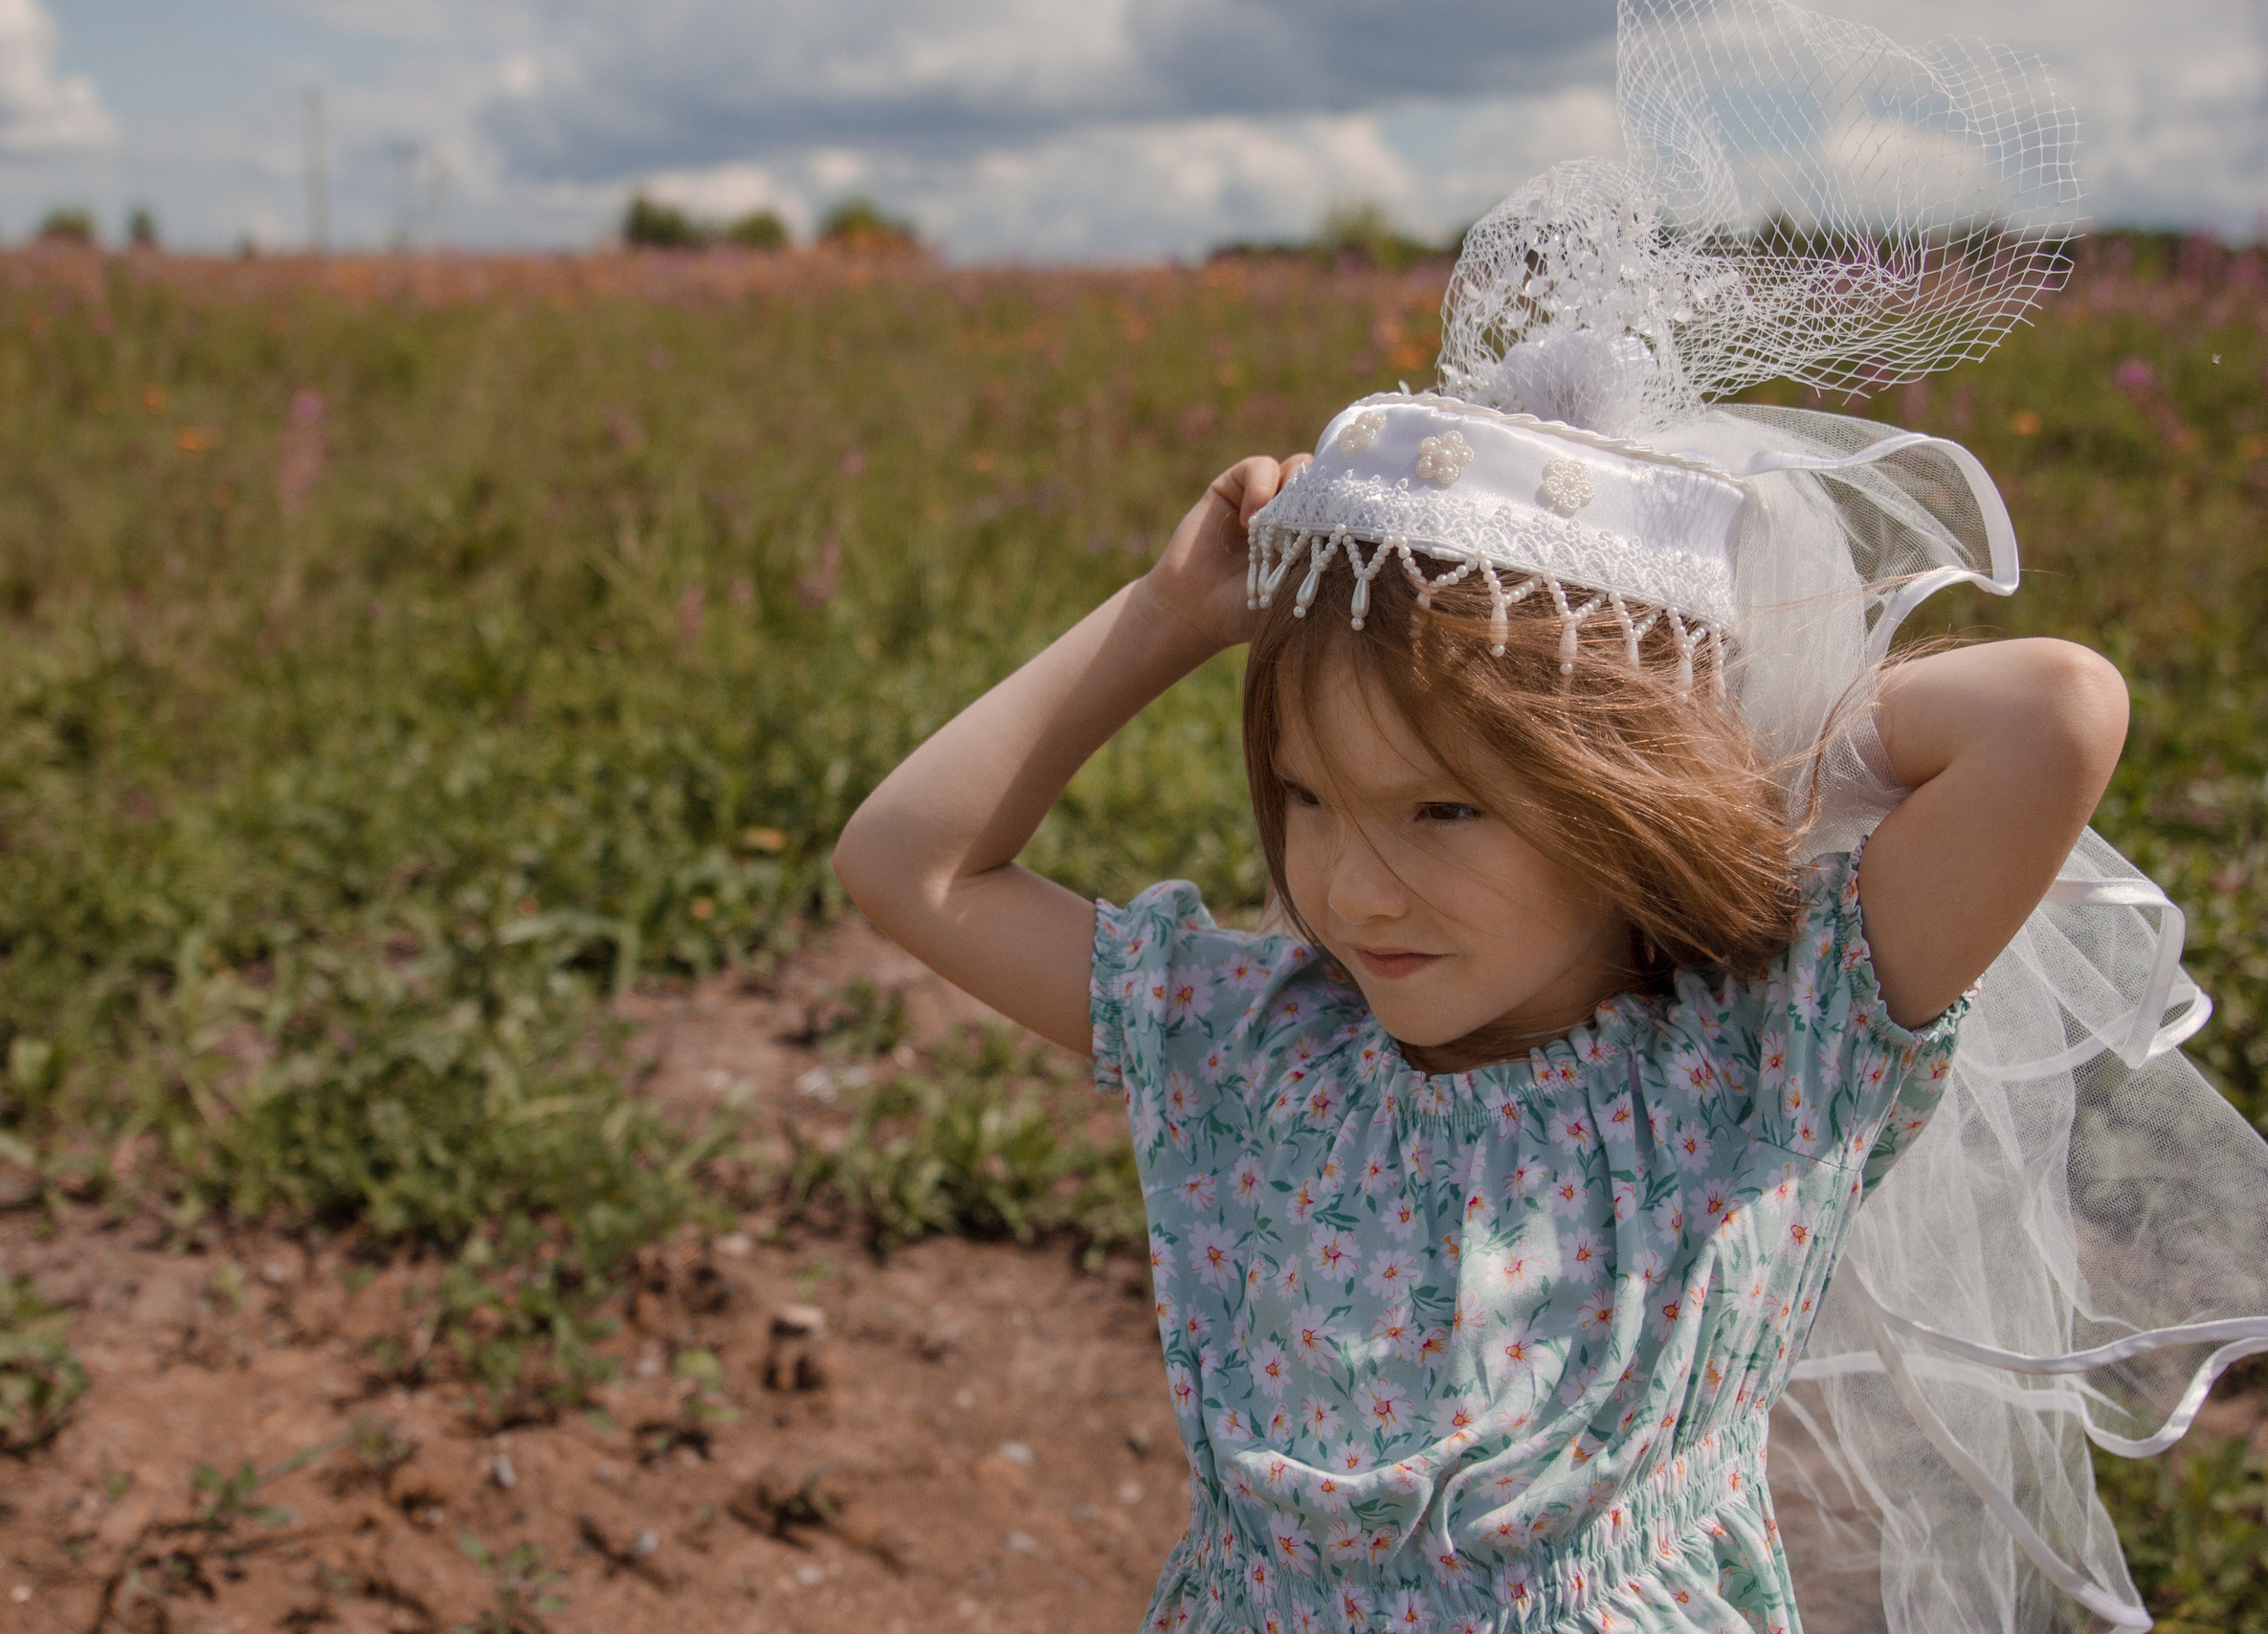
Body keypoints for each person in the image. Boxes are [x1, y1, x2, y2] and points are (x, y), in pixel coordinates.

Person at [841, 5, 2268, 1629]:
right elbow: (908, 861)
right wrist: (1165, 620)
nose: (1350, 882)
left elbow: (2056, 712)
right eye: (1307, 799)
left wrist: (1687, 766)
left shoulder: (1756, 1069)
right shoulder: (1244, 1047)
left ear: (1614, 803)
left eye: (1444, 810)